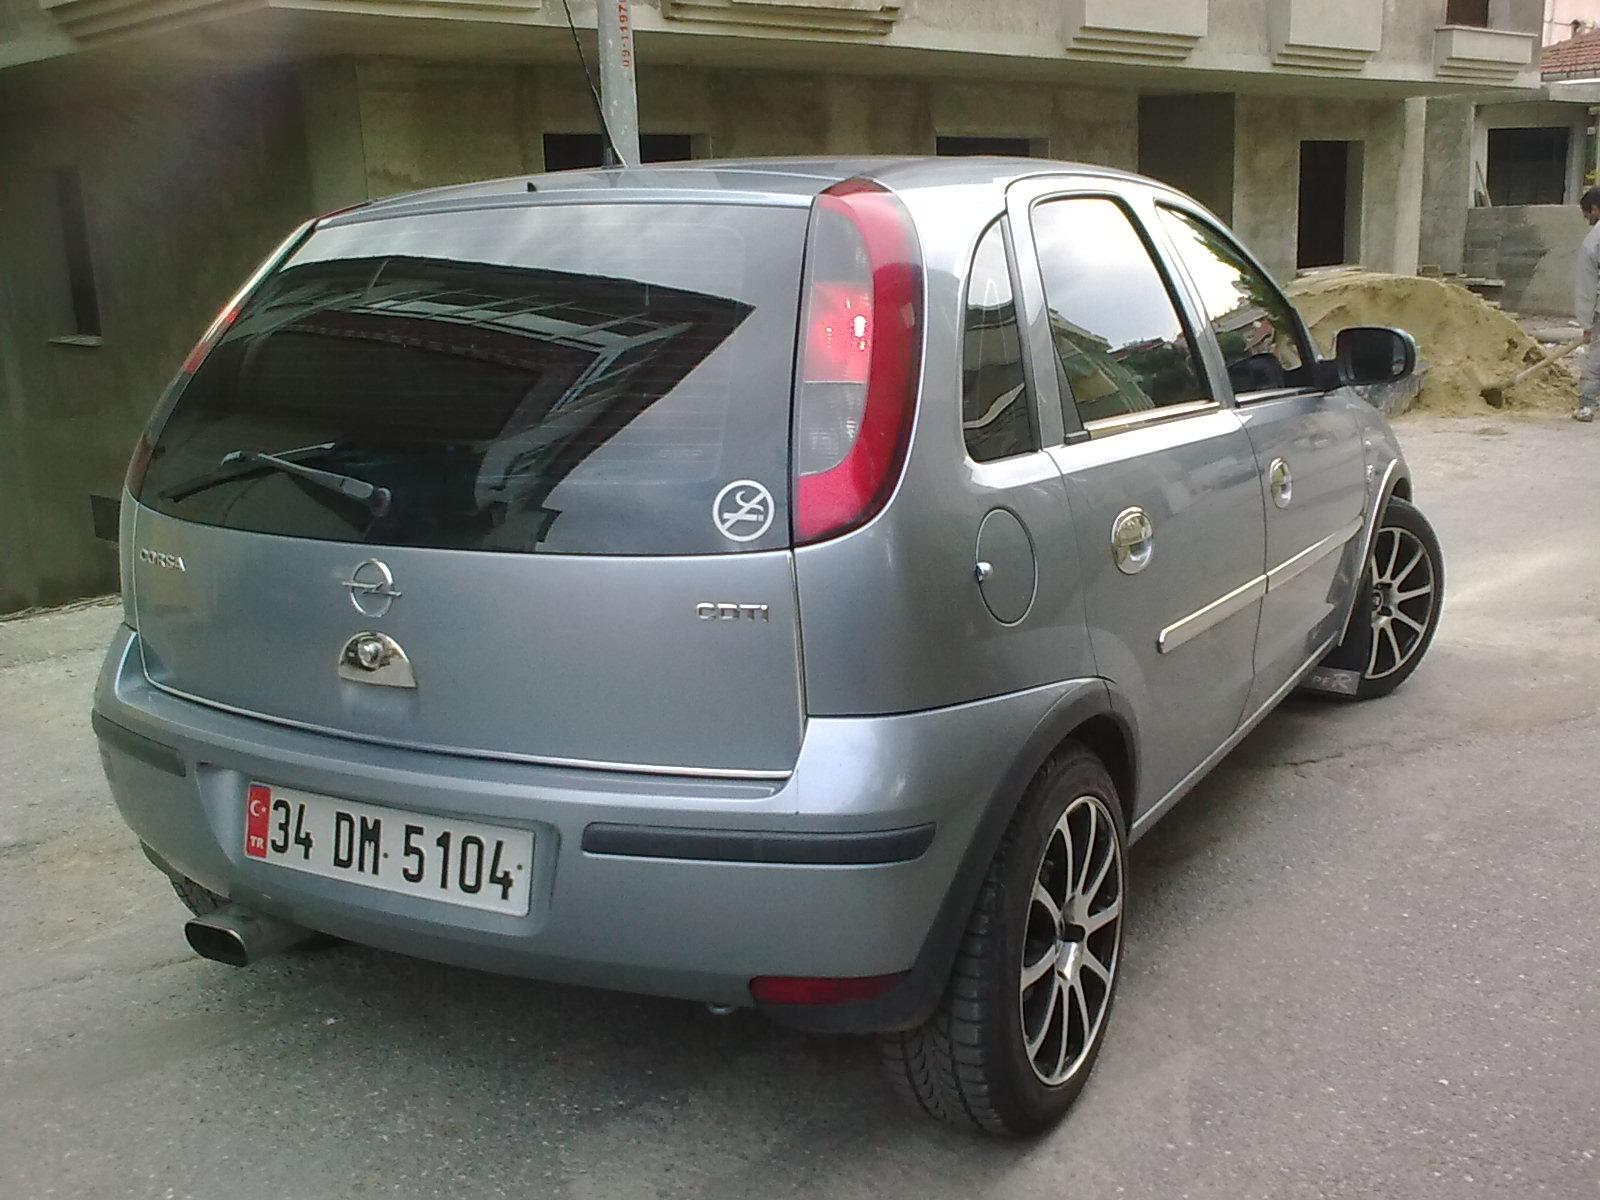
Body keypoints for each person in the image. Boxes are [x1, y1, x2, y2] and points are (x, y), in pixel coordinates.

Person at [1573, 185, 1600, 422]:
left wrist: (1586, 322)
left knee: (1596, 357)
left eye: (1587, 213)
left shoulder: (1593, 242)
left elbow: (1587, 285)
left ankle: (1587, 405)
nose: (1587, 219)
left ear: (1595, 209)